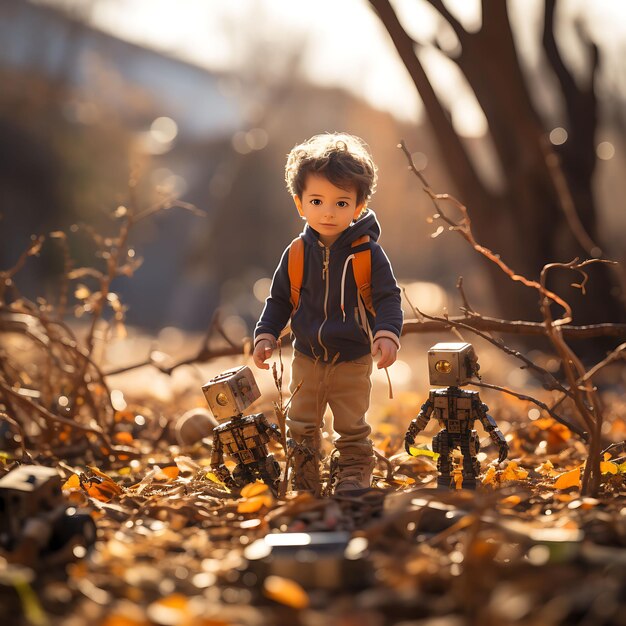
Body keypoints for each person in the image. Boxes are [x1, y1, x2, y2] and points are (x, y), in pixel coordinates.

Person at [253, 133, 403, 494]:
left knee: (351, 423)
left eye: (341, 202)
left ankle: (352, 473)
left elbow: (387, 299)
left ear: (359, 206)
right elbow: (278, 300)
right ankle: (305, 477)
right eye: (317, 200)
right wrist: (265, 333)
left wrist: (386, 333)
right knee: (301, 422)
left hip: (352, 357)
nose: (328, 211)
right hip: (306, 356)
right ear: (300, 204)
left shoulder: (368, 254)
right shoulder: (296, 254)